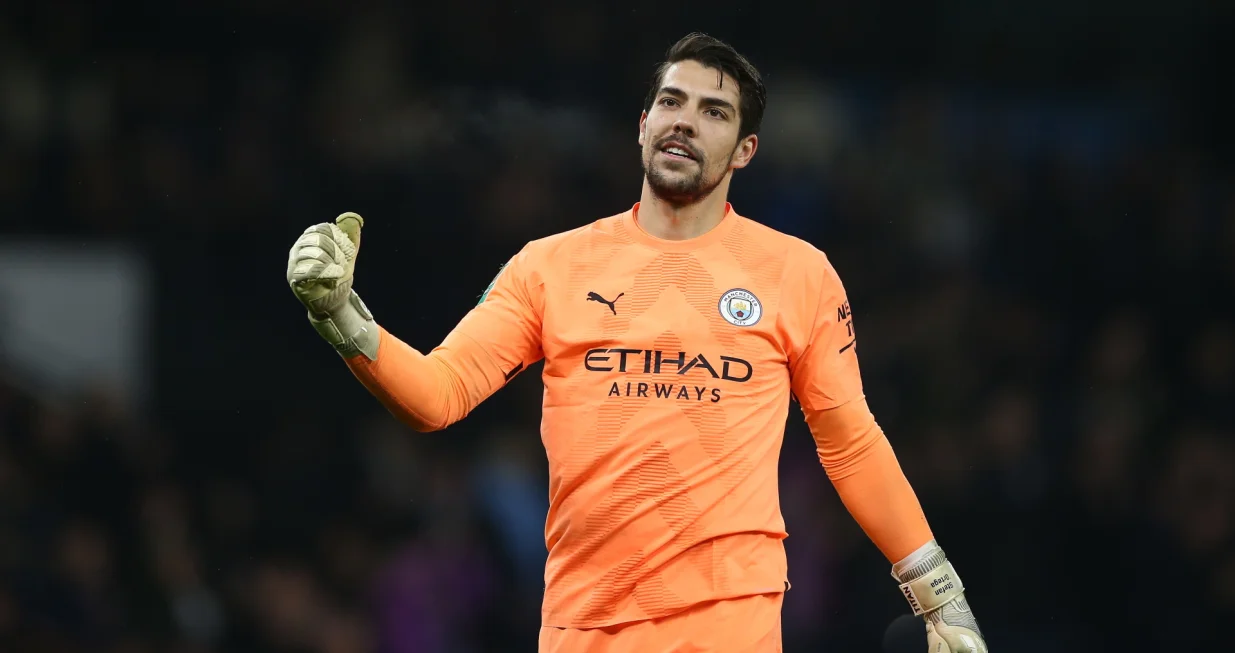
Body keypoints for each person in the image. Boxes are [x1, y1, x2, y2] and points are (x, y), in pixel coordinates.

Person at [286, 32, 989, 653]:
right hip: (581, 626)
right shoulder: (548, 265)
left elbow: (849, 442)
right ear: (644, 122)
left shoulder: (796, 273)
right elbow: (438, 396)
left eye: (713, 111)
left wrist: (939, 596)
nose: (686, 121)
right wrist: (343, 317)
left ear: (744, 149)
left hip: (728, 626)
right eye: (673, 102)